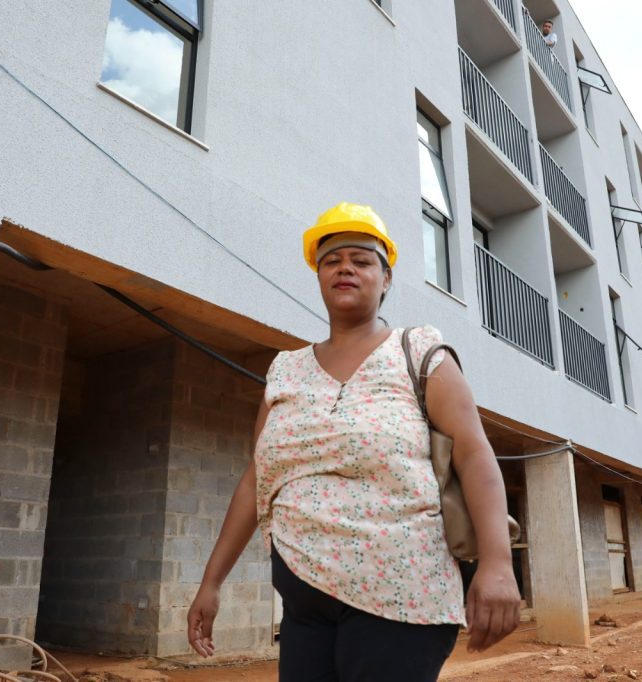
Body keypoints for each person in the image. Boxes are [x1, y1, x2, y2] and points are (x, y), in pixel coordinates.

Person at [186, 203, 521, 682]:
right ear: (319, 276)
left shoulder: (421, 354)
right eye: (332, 260)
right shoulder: (284, 370)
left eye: (362, 260)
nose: (345, 267)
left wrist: (497, 564)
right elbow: (256, 478)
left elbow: (474, 454)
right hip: (304, 603)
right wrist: (211, 582)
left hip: (401, 599)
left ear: (385, 279)